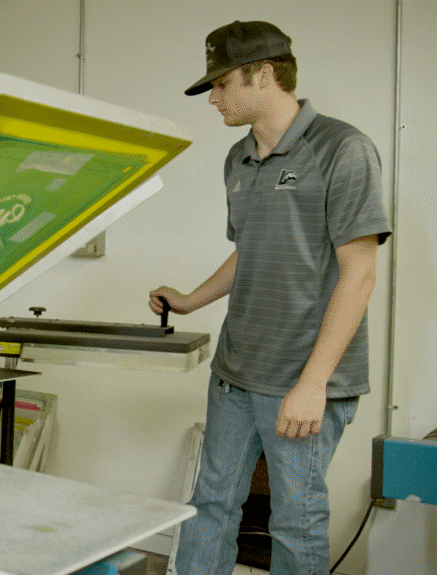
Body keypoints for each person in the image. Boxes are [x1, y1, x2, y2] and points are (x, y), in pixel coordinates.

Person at [149, 20, 392, 575]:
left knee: (294, 519)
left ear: (263, 74)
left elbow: (360, 274)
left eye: (221, 84)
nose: (212, 98)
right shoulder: (237, 159)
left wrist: (313, 385)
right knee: (209, 505)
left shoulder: (342, 149)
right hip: (236, 371)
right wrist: (190, 300)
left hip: (303, 378)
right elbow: (250, 251)